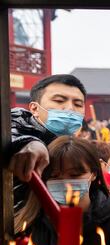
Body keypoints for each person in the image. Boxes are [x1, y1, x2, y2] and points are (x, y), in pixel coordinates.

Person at [9, 74, 88, 213]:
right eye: (59, 100)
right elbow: (13, 132)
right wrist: (27, 143)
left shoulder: (77, 146)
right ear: (34, 108)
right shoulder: (13, 125)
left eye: (78, 104)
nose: (70, 108)